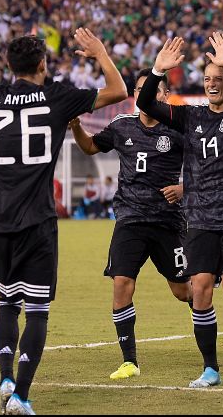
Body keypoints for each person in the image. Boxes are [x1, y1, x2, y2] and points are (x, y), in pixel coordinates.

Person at [0, 29, 127, 414]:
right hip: (37, 219)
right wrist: (100, 53)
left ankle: (6, 378)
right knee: (37, 309)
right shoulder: (57, 96)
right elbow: (118, 91)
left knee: (7, 300)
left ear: (8, 65)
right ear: (42, 65)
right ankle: (20, 396)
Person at [136, 32, 223, 388]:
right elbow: (148, 104)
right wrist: (156, 70)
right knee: (199, 289)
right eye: (208, 79)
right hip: (199, 217)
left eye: (219, 78)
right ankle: (210, 369)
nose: (212, 84)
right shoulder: (190, 116)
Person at [69, 68, 192, 381]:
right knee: (121, 283)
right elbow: (90, 147)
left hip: (167, 223)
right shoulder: (121, 126)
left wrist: (183, 188)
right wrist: (75, 127)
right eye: (139, 89)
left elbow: (205, 168)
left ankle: (204, 317)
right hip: (130, 220)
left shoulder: (178, 129)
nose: (145, 94)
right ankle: (129, 361)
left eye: (152, 89)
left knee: (184, 292)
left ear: (165, 95)